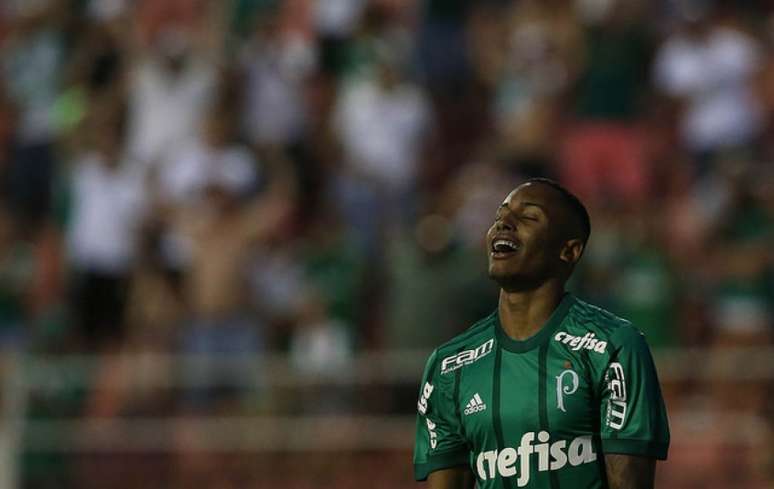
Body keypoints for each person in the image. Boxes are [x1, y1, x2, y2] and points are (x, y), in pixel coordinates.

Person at [413, 178, 669, 488]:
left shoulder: (611, 346)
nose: (504, 224)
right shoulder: (449, 366)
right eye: (499, 217)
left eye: (529, 217)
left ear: (568, 251)